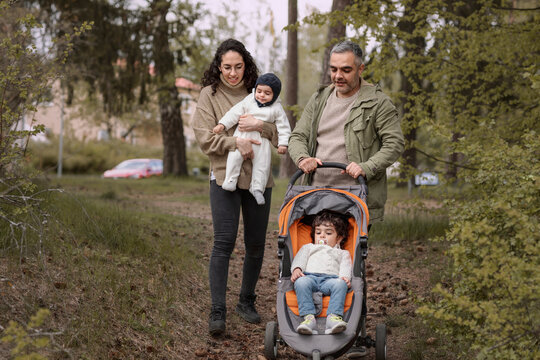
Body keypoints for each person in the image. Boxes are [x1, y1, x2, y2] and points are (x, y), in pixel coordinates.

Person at [288, 40, 404, 357]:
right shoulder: (320, 97)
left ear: (361, 69)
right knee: (308, 257)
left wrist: (366, 166)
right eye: (334, 69)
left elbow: (394, 145)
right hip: (312, 193)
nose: (338, 76)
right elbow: (298, 136)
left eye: (346, 70)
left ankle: (352, 331)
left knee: (351, 266)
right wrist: (302, 159)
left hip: (354, 196)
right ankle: (310, 320)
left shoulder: (377, 103)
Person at [192, 39, 279, 337]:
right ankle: (218, 310)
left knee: (256, 244)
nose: (232, 73)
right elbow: (204, 138)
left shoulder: (260, 91)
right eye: (227, 67)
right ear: (218, 66)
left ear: (247, 66)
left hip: (259, 179)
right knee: (223, 242)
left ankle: (246, 300)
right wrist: (236, 143)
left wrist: (261, 127)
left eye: (238, 67)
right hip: (223, 178)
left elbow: (278, 131)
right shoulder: (209, 95)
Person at [213, 73, 291, 205]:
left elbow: (283, 127)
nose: (261, 95)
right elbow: (234, 112)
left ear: (275, 95)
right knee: (234, 157)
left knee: (262, 164)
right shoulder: (249, 100)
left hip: (262, 142)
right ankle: (230, 180)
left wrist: (283, 144)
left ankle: (257, 189)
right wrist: (222, 124)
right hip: (242, 136)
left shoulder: (277, 108)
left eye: (267, 93)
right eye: (259, 91)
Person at [291, 211, 351, 335]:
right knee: (301, 282)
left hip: (331, 280)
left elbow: (345, 266)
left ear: (339, 238)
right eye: (318, 232)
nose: (322, 236)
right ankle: (309, 319)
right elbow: (300, 259)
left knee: (341, 284)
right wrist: (297, 269)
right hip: (309, 277)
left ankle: (333, 318)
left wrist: (345, 277)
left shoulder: (342, 253)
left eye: (328, 233)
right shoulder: (308, 247)